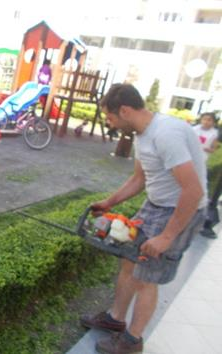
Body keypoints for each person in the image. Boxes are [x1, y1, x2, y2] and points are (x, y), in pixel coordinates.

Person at [80, 84, 207, 354]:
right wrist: (109, 202)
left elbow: (193, 191)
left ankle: (132, 341)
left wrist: (167, 236)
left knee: (146, 275)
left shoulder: (166, 134)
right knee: (129, 260)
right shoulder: (142, 134)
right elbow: (140, 178)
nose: (109, 123)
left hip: (181, 209)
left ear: (124, 110)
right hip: (156, 204)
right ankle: (116, 320)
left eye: (110, 118)